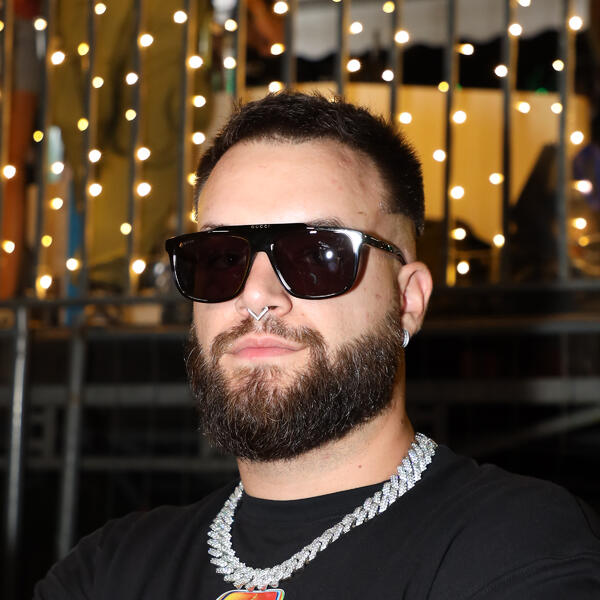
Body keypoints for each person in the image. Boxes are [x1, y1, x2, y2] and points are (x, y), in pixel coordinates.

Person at [34, 92, 600, 599]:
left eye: (317, 255)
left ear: (408, 300)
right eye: (221, 258)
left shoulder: (518, 549)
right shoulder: (110, 569)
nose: (257, 296)